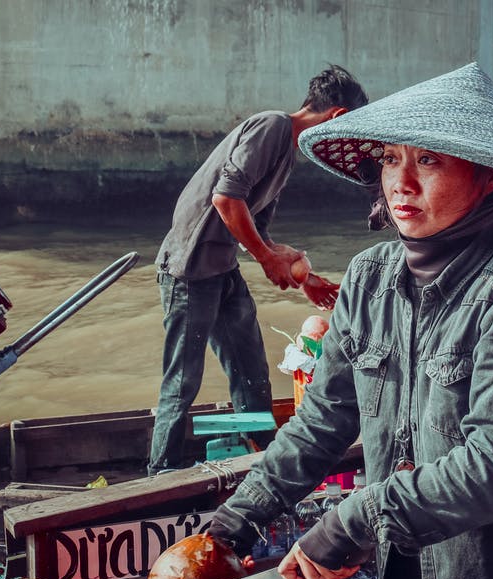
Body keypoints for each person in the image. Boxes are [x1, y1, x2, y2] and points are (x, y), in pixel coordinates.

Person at [207, 63, 493, 579]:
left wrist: (353, 521)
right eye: (389, 159)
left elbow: (492, 472)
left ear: (490, 177)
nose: (401, 181)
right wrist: (234, 522)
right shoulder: (368, 277)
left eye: (428, 159)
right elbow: (324, 420)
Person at [149, 65, 369, 476]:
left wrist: (304, 277)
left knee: (251, 373)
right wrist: (268, 260)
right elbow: (226, 200)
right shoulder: (271, 127)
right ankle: (160, 474)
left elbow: (259, 229)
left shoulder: (287, 153)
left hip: (222, 270)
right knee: (182, 381)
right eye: (347, 132)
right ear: (337, 117)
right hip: (188, 270)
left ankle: (260, 457)